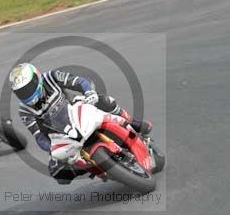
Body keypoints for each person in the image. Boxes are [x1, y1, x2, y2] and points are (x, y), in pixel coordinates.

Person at [8, 63, 152, 184]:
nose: (26, 95)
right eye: (21, 92)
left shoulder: (51, 77)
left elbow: (79, 81)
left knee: (104, 101)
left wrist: (89, 92)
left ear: (36, 79)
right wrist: (51, 150)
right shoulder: (24, 111)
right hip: (62, 135)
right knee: (58, 173)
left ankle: (132, 123)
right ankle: (95, 169)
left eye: (27, 89)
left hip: (78, 111)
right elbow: (38, 136)